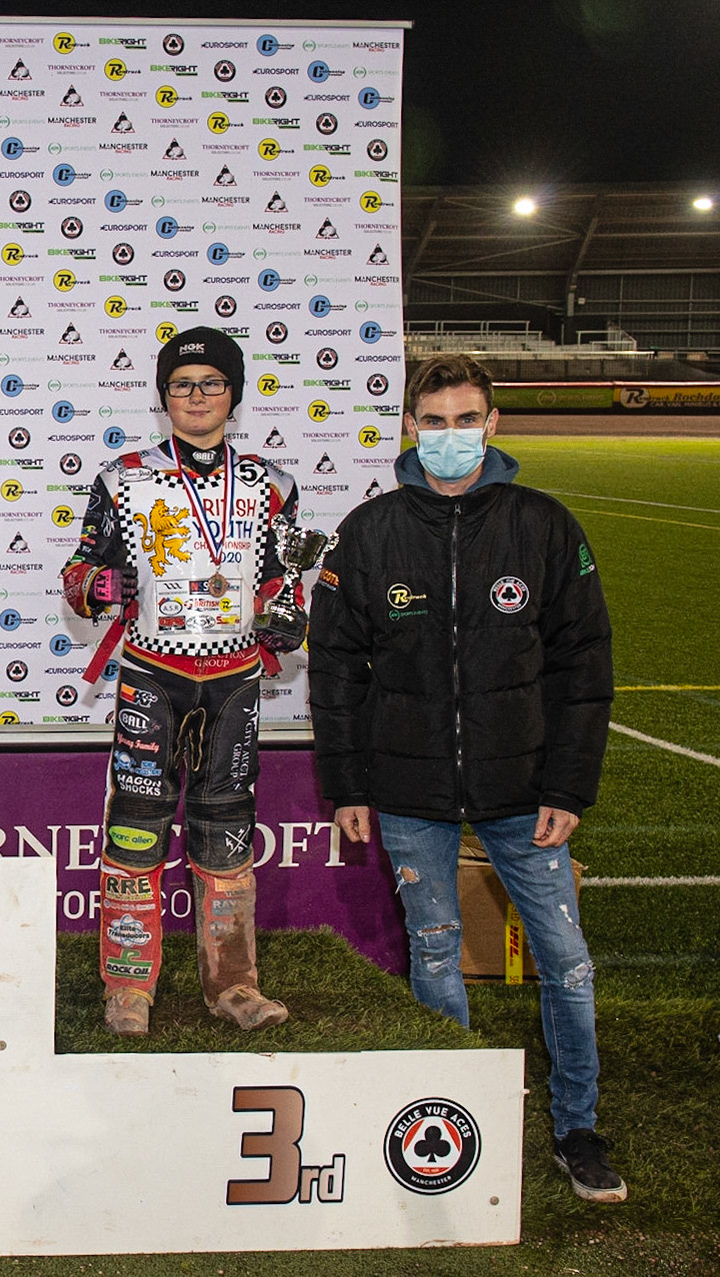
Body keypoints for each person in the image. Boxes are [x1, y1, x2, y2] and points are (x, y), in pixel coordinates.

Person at [308, 352, 625, 1203]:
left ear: (494, 423)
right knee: (437, 957)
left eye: (467, 418)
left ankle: (578, 1126)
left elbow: (582, 667)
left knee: (565, 961)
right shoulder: (368, 533)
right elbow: (335, 671)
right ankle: (445, 1122)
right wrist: (347, 786)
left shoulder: (545, 526)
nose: (451, 436)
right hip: (410, 795)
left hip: (525, 793)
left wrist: (568, 786)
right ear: (412, 426)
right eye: (435, 420)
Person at [59, 327, 303, 1036]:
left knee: (226, 833)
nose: (196, 397)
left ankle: (234, 986)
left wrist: (287, 614)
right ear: (164, 397)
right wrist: (96, 584)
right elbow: (77, 576)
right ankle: (129, 989)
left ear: (235, 392)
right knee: (135, 835)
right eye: (181, 385)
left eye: (211, 383)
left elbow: (283, 580)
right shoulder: (123, 477)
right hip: (153, 676)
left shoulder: (270, 484)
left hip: (233, 679)